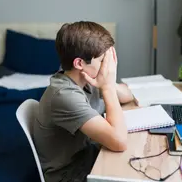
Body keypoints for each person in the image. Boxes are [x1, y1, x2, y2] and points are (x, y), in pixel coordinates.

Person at [33, 21, 134, 182]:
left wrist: (109, 81)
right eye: (103, 60)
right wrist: (107, 88)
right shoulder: (64, 96)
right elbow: (119, 141)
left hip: (89, 156)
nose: (106, 66)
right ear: (79, 63)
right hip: (71, 175)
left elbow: (128, 95)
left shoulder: (84, 77)